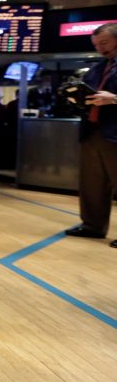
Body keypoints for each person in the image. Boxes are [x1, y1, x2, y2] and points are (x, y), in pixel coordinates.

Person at [65, 23, 117, 248]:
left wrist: (114, 98)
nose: (100, 48)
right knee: (92, 184)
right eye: (96, 45)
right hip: (92, 131)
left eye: (104, 43)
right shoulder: (97, 68)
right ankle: (92, 226)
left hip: (114, 132)